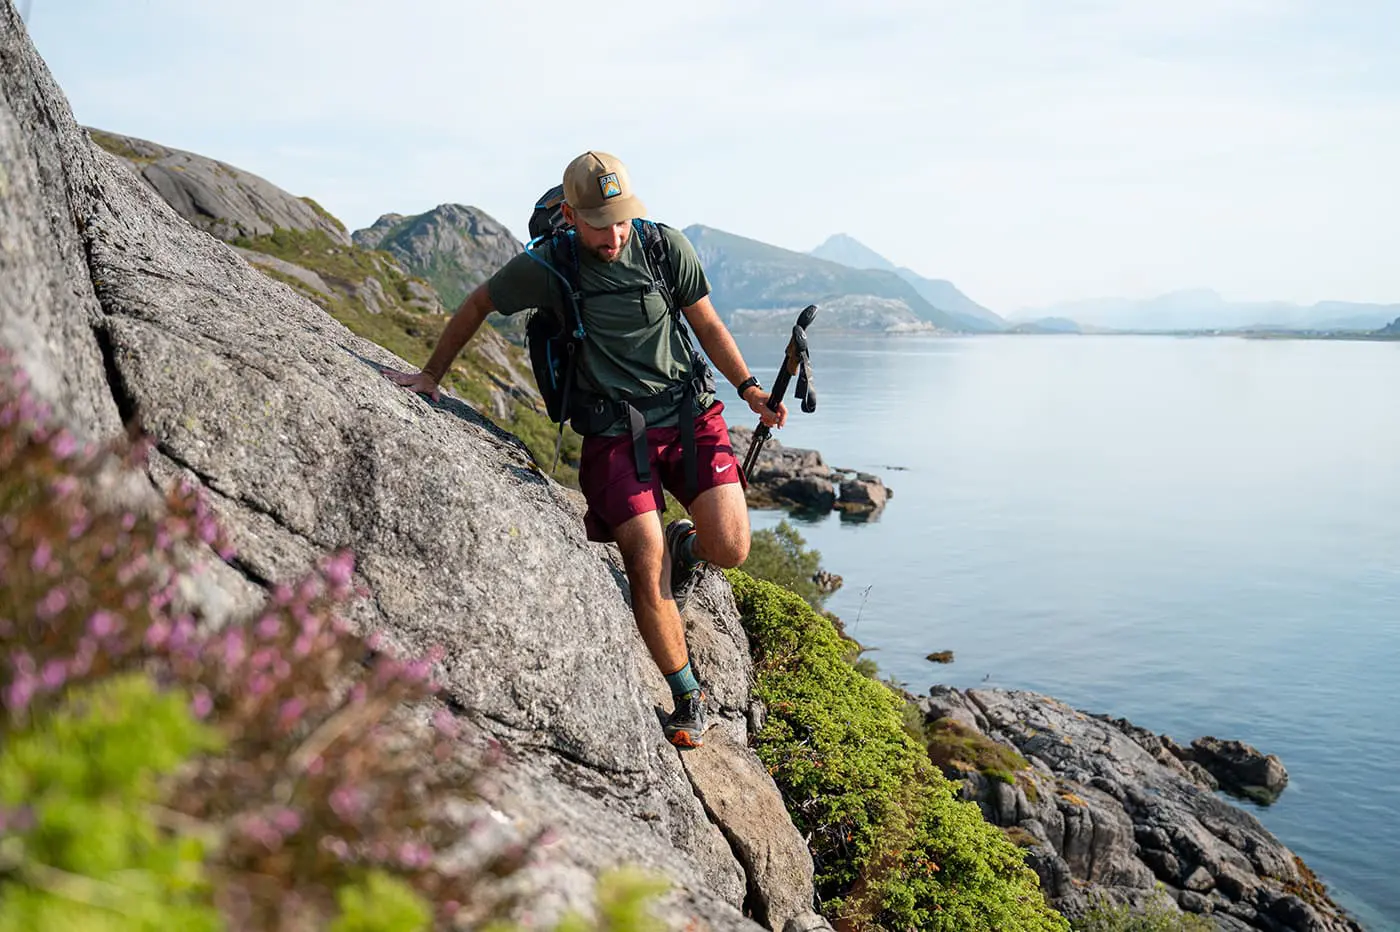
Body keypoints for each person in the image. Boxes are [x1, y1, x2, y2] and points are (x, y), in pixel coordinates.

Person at [384, 151, 786, 748]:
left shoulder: (662, 247)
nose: (614, 233)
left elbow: (706, 323)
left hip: (688, 413)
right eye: (600, 222)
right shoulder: (548, 265)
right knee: (645, 559)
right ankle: (687, 695)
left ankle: (689, 543)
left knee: (729, 548)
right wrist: (432, 376)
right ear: (571, 215)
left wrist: (750, 388)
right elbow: (476, 304)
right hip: (613, 433)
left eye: (622, 218)